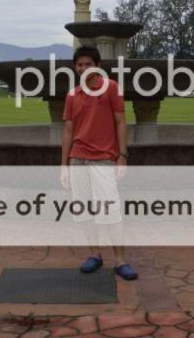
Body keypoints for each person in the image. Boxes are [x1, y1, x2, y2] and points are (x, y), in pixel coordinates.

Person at [59, 45, 138, 280]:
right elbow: (68, 130)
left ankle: (120, 260)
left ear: (98, 66)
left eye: (88, 64)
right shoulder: (72, 95)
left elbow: (121, 122)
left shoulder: (111, 87)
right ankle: (94, 254)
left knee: (111, 210)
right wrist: (64, 165)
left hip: (103, 159)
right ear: (75, 67)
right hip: (78, 158)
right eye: (80, 64)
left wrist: (122, 156)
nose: (84, 68)